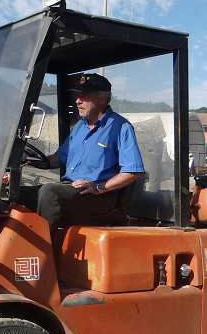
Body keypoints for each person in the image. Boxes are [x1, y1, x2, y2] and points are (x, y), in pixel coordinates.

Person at [30, 73, 146, 232]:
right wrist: (30, 159)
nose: (78, 100)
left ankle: (46, 252)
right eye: (78, 95)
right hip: (72, 190)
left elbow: (132, 172)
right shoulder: (79, 127)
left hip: (99, 197)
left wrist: (99, 187)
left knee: (49, 193)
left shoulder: (120, 127)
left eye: (84, 96)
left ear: (102, 99)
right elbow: (58, 159)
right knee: (21, 194)